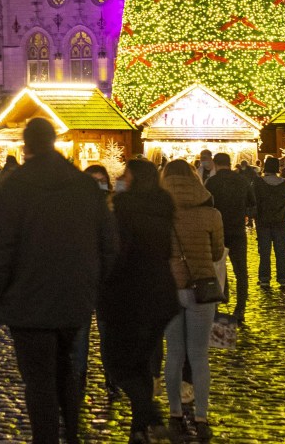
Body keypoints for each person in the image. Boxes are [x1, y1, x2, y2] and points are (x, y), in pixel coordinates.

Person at [0, 119, 116, 444]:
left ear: (27, 146)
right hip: (73, 297)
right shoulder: (84, 185)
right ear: (55, 142)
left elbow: (1, 247)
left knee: (39, 381)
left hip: (27, 300)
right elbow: (108, 244)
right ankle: (71, 433)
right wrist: (92, 285)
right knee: (66, 371)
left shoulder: (15, 186)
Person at [100, 159, 178, 443]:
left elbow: (119, 255)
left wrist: (104, 283)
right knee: (142, 364)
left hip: (130, 298)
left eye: (125, 174)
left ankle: (152, 417)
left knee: (117, 364)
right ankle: (138, 428)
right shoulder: (163, 206)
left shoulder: (125, 209)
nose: (121, 178)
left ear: (135, 179)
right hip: (161, 297)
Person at [162, 159, 224, 443]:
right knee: (199, 356)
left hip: (170, 290)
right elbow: (215, 253)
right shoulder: (211, 213)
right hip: (202, 290)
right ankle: (201, 417)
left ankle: (175, 414)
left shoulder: (159, 213)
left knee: (174, 354)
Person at [203, 157, 250, 323]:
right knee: (241, 271)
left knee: (216, 268)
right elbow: (251, 203)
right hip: (237, 230)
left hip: (217, 231)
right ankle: (240, 308)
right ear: (230, 164)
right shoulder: (242, 181)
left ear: (215, 164)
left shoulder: (211, 182)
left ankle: (216, 304)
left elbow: (205, 205)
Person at [253, 158, 285, 290]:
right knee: (281, 251)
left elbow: (253, 198)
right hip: (280, 221)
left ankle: (264, 279)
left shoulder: (258, 183)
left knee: (264, 252)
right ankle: (283, 279)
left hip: (263, 221)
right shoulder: (284, 183)